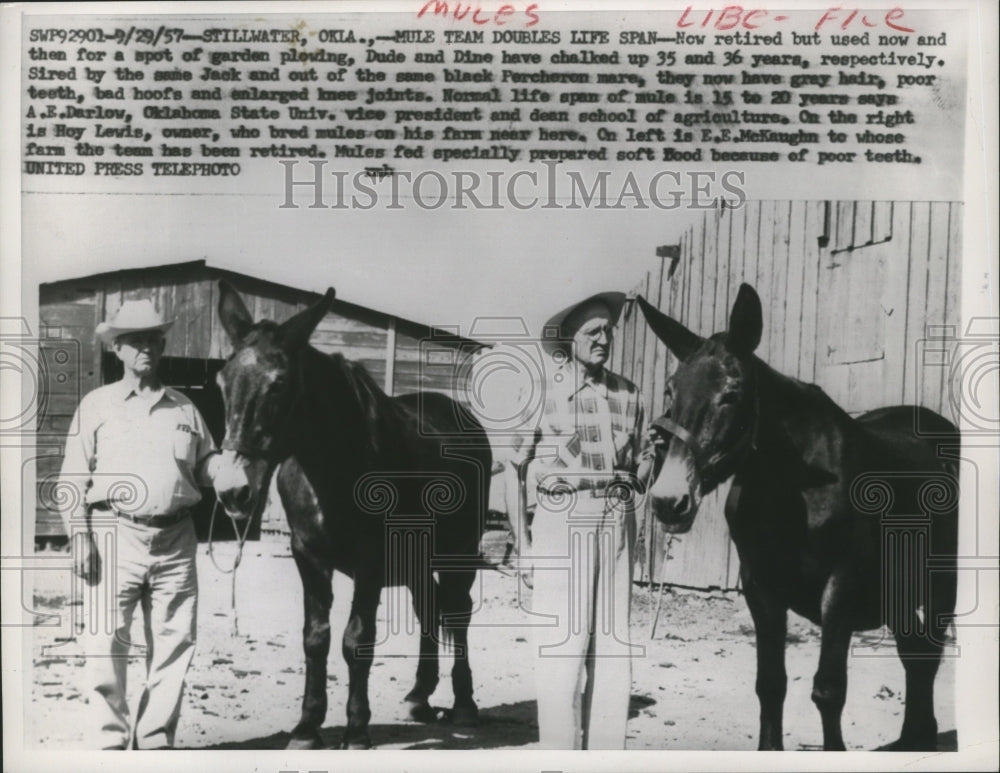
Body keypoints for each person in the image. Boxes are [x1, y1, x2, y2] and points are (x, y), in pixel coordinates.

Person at [58, 298, 221, 750]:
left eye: (153, 339)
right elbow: (72, 479)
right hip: (114, 534)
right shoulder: (97, 405)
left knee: (175, 642)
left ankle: (154, 742)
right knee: (106, 640)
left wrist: (225, 472)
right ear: (118, 350)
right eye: (136, 341)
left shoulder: (185, 408)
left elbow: (205, 463)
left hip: (176, 538)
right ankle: (111, 743)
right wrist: (81, 539)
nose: (147, 347)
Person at [507, 292, 656, 749]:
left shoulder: (629, 395)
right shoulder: (540, 392)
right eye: (593, 332)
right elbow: (514, 470)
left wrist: (640, 477)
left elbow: (646, 458)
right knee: (561, 648)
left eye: (608, 332)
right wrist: (525, 547)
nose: (604, 340)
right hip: (560, 519)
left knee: (612, 648)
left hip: (615, 520)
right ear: (568, 340)